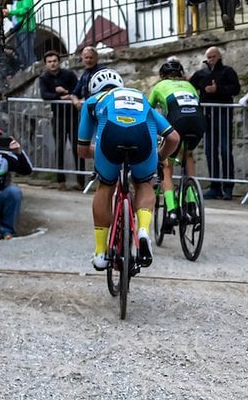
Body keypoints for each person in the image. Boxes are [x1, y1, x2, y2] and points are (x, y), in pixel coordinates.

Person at [77, 69, 180, 270]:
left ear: (93, 90)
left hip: (109, 141)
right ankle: (143, 230)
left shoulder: (92, 102)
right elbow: (173, 137)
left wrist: (98, 152)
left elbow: (82, 149)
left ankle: (100, 252)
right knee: (143, 184)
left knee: (105, 187)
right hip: (143, 142)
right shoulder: (140, 97)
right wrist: (159, 157)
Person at [150, 59, 206, 227]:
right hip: (198, 122)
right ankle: (191, 204)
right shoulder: (189, 86)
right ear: (181, 75)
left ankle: (172, 211)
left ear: (162, 76)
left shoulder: (160, 86)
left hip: (177, 121)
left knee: (166, 163)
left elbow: (148, 110)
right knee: (188, 155)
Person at [190, 46, 241, 199]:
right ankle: (215, 187)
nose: (210, 60)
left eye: (213, 56)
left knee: (225, 150)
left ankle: (228, 187)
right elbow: (189, 87)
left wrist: (217, 89)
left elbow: (236, 89)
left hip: (223, 115)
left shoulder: (227, 71)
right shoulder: (200, 74)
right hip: (207, 116)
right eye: (208, 57)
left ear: (219, 57)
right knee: (210, 151)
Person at [38, 50, 80, 187]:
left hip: (73, 116)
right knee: (59, 147)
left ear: (59, 62)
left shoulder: (68, 74)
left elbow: (78, 89)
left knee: (77, 147)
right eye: (49, 62)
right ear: (45, 64)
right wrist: (59, 96)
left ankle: (80, 181)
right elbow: (44, 95)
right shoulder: (44, 78)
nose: (53, 64)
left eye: (55, 61)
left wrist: (67, 93)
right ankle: (60, 180)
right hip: (58, 116)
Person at [3, 0, 36, 70]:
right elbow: (13, 18)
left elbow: (25, 10)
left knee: (27, 50)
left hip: (26, 27)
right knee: (20, 51)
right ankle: (25, 68)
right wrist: (8, 14)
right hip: (18, 29)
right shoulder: (14, 2)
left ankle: (32, 66)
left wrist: (10, 12)